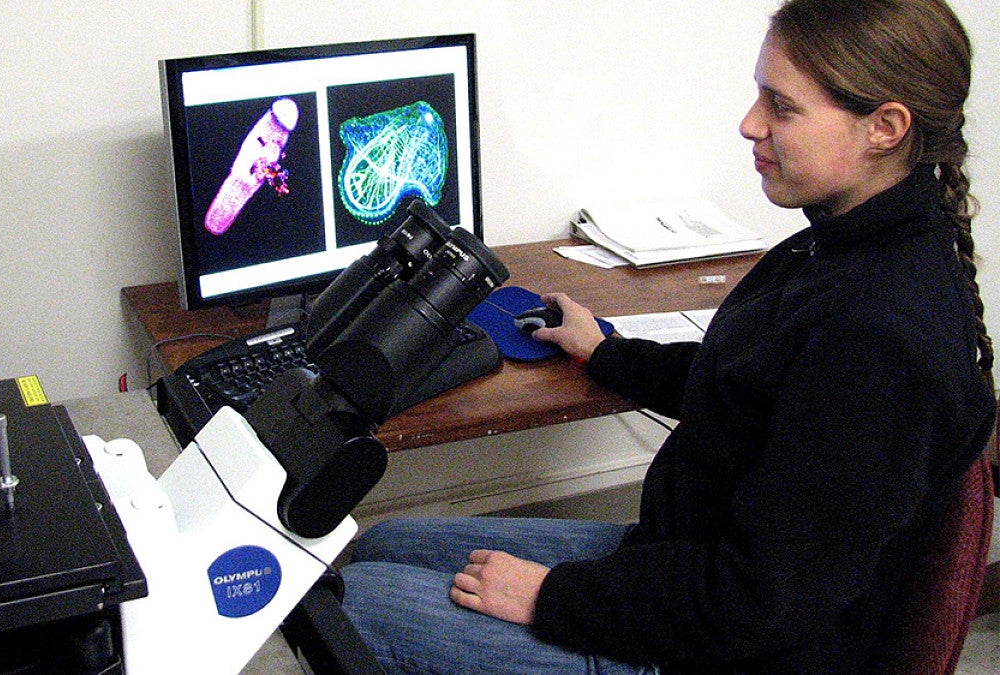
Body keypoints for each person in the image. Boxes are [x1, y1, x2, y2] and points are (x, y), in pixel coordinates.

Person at [337, 0, 997, 672]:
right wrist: (606, 351)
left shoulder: (882, 338)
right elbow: (754, 384)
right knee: (381, 544)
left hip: (723, 646)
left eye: (782, 106)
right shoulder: (844, 248)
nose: (750, 123)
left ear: (884, 127)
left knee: (355, 603)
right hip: (682, 561)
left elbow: (758, 601)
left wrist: (553, 596)